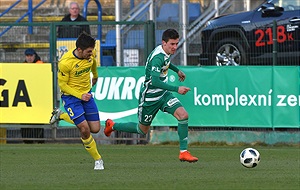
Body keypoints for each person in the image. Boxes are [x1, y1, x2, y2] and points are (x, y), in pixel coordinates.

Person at [104, 29, 198, 163]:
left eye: (176, 44)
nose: (175, 47)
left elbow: (166, 63)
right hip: (150, 98)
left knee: (183, 115)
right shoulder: (157, 57)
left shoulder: (165, 52)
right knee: (142, 130)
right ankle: (112, 125)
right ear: (163, 43)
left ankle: (184, 152)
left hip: (164, 94)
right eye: (172, 44)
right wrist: (177, 88)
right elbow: (155, 81)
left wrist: (177, 70)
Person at [52, 31, 104, 170]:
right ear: (79, 50)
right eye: (88, 51)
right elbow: (62, 85)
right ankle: (98, 160)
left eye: (92, 51)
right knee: (84, 129)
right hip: (70, 97)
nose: (91, 54)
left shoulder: (89, 56)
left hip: (86, 94)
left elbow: (92, 63)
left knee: (95, 128)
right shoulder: (65, 63)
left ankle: (61, 115)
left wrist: (95, 75)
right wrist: (79, 95)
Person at [21, 48, 44, 143]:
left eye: (31, 56)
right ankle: (27, 140)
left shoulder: (40, 64)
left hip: (37, 96)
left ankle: (39, 139)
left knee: (37, 119)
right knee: (26, 118)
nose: (29, 58)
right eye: (27, 56)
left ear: (35, 56)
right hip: (26, 96)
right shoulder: (23, 66)